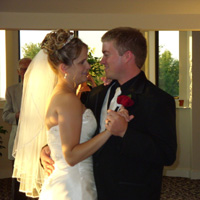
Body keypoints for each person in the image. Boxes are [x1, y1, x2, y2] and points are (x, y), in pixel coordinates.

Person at [41, 27, 177, 200]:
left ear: (127, 56)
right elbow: (72, 131)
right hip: (89, 189)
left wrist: (125, 132)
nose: (101, 61)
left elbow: (167, 154)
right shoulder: (96, 94)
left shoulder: (157, 100)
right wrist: (48, 149)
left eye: (106, 54)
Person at [12, 29, 130, 199]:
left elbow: (62, 140)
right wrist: (110, 131)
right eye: (82, 62)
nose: (88, 66)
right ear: (64, 68)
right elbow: (72, 156)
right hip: (74, 186)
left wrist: (47, 148)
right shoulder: (68, 100)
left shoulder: (62, 95)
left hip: (69, 181)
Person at [2, 57, 32, 200]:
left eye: (29, 68)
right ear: (18, 72)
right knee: (18, 180)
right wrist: (18, 115)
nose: (26, 72)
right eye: (23, 69)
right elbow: (6, 115)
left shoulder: (43, 89)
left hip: (37, 141)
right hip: (18, 141)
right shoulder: (12, 90)